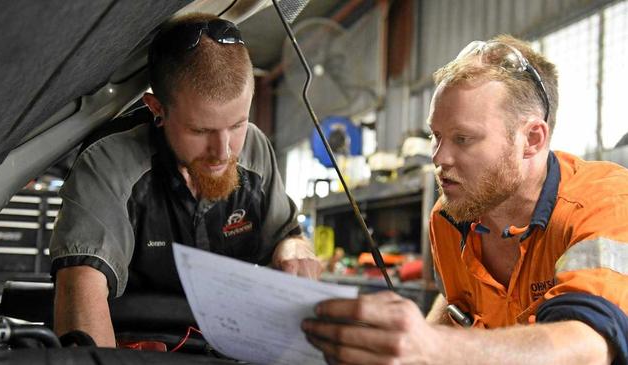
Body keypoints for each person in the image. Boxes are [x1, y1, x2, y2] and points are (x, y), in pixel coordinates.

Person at [302, 34, 627, 364]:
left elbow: (589, 345)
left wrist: (432, 347)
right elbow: (457, 305)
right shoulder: (449, 217)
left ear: (531, 139)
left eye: (463, 138)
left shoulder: (607, 202)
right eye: (436, 136)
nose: (439, 158)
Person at [50, 13, 322, 347]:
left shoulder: (254, 148)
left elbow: (287, 233)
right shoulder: (108, 163)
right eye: (201, 130)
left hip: (233, 344)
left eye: (237, 124)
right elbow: (80, 285)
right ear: (156, 109)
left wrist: (294, 248)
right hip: (139, 349)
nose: (223, 152)